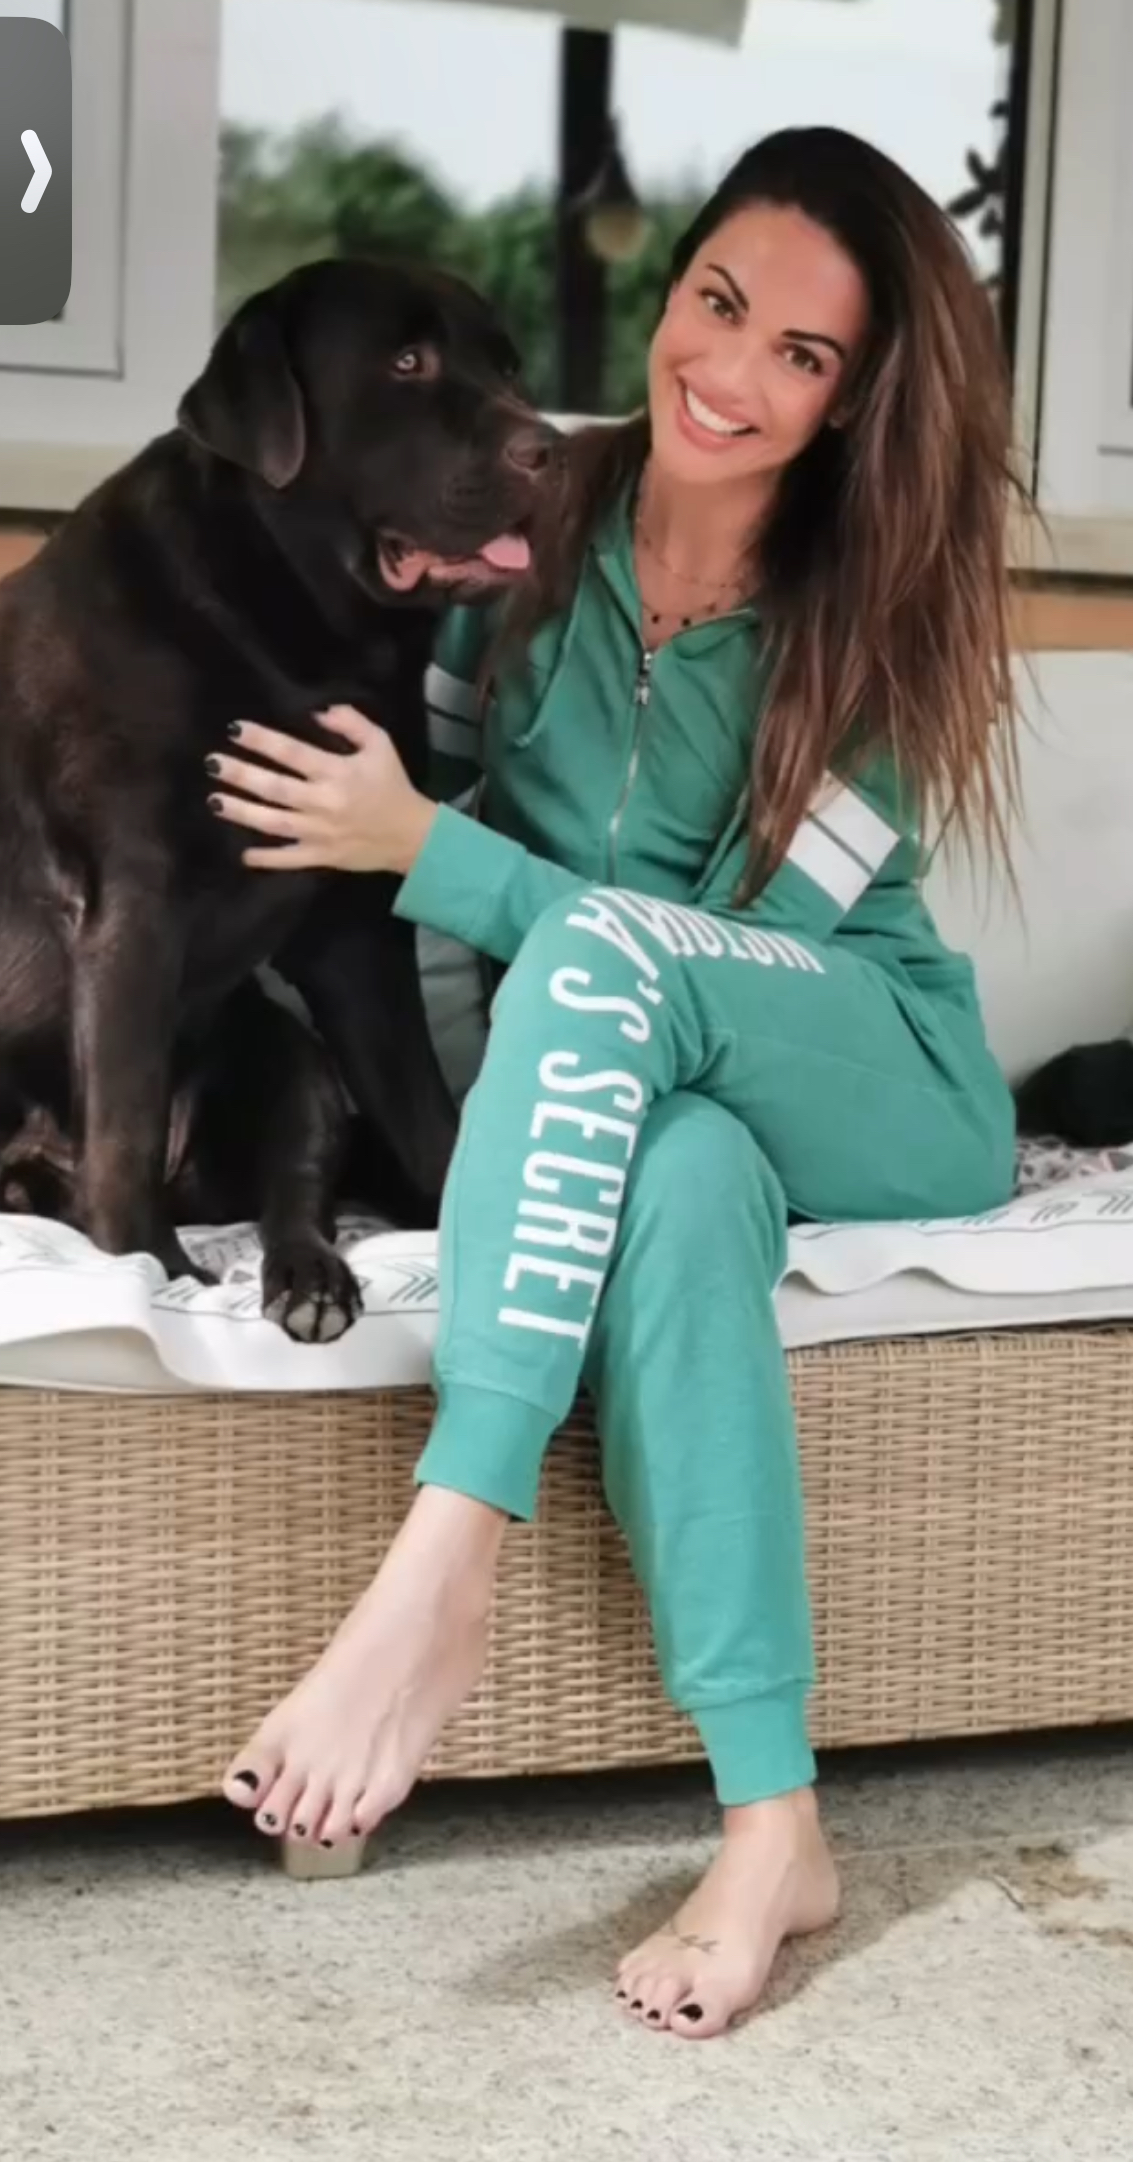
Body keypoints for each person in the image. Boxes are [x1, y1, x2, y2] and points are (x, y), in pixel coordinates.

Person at [206, 126, 1019, 2041]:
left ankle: (443, 1563)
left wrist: (432, 851)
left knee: (609, 965)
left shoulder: (873, 625)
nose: (728, 373)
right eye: (716, 303)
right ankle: (773, 1824)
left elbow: (681, 957)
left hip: (878, 1065)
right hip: (665, 1095)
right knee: (679, 1181)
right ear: (670, 289)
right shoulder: (523, 532)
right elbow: (472, 854)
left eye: (800, 355)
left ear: (849, 403)